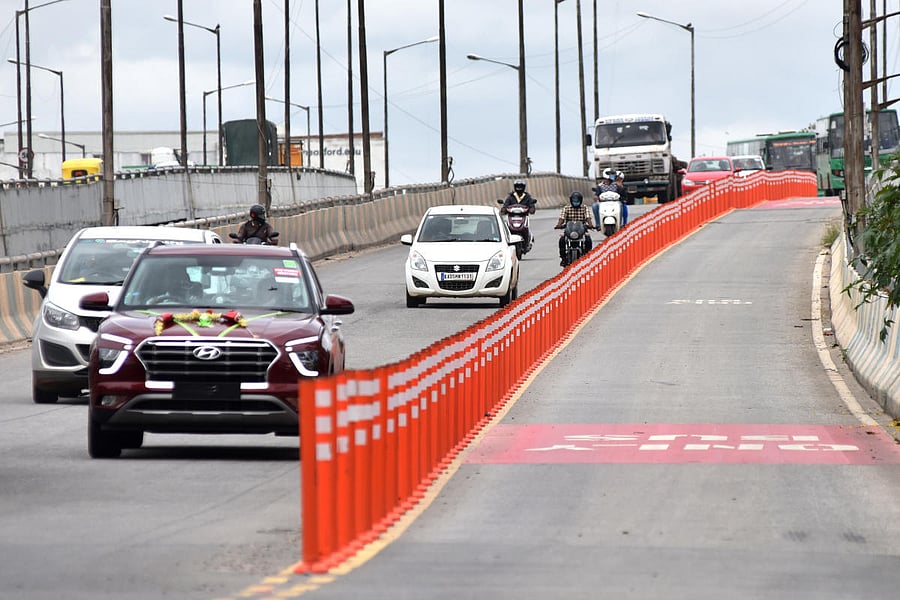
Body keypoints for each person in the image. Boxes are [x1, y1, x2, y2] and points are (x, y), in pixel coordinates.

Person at [555, 191, 595, 266]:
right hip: (569, 229)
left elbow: (588, 217)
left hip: (582, 229)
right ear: (571, 201)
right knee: (562, 240)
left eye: (577, 201)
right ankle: (563, 258)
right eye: (574, 201)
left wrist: (590, 225)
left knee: (588, 240)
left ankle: (587, 257)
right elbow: (562, 217)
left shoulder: (584, 208)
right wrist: (559, 224)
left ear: (581, 201)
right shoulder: (566, 208)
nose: (575, 203)